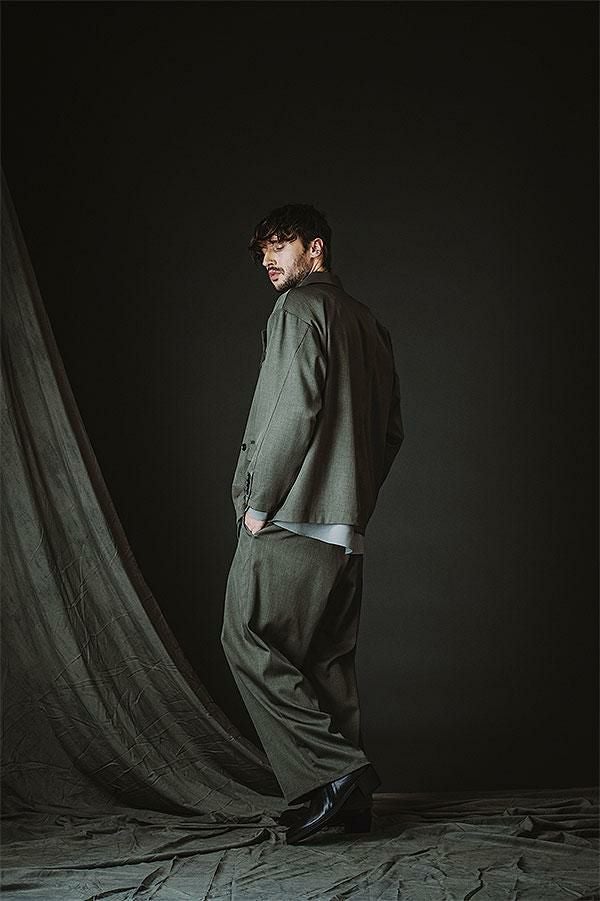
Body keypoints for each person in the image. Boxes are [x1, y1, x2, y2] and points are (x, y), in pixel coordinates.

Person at [221, 203, 404, 844]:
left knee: (246, 638)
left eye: (281, 244)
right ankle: (350, 806)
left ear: (315, 249)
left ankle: (337, 774)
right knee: (326, 661)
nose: (268, 259)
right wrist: (353, 498)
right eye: (262, 250)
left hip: (292, 515)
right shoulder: (370, 324)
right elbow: (390, 432)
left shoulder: (299, 309)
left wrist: (257, 504)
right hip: (346, 525)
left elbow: (288, 412)